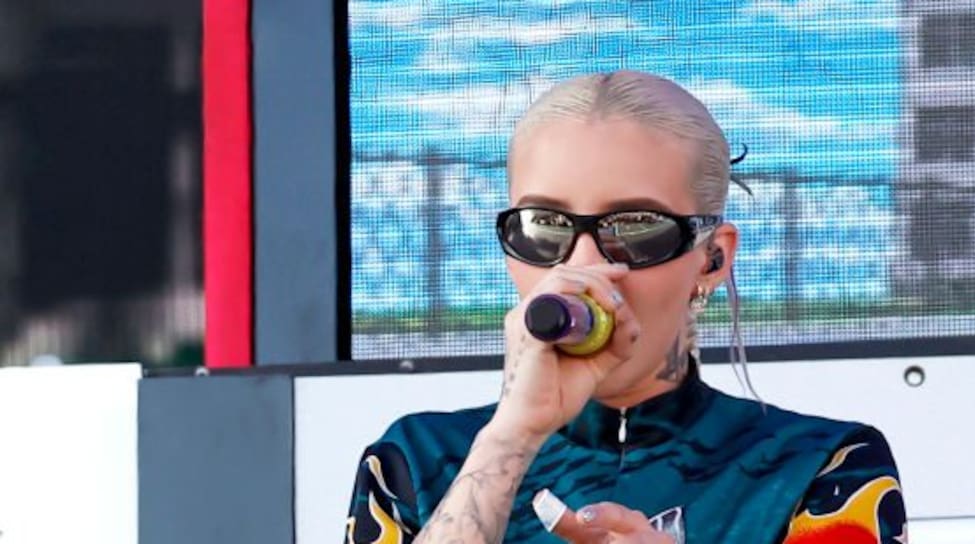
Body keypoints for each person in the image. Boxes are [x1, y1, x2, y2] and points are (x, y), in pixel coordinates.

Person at [346, 70, 907, 544]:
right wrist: (510, 436)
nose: (583, 268)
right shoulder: (415, 460)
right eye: (544, 227)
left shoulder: (822, 465)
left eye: (636, 229)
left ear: (712, 260)